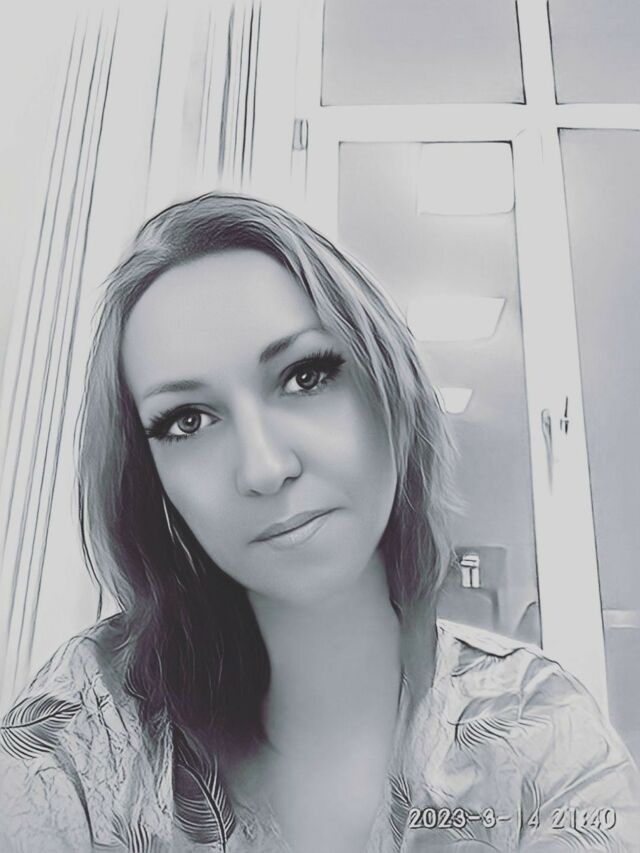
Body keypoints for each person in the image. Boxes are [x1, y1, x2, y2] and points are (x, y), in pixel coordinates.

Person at [0, 193, 638, 853]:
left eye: (305, 377)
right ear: (149, 479)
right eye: (187, 420)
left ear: (391, 391)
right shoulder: (82, 727)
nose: (265, 467)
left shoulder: (537, 725)